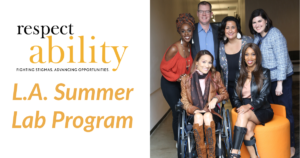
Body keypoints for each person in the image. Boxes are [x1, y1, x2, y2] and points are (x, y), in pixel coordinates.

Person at [249, 9, 295, 157]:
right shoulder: (256, 37)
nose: (257, 24)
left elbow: (282, 60)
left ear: (266, 21)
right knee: (272, 112)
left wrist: (280, 83)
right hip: (266, 80)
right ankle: (277, 142)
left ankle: (291, 145)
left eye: (260, 21)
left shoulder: (275, 34)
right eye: (254, 22)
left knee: (285, 112)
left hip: (280, 79)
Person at [181, 50, 229, 158]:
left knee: (207, 115)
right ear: (196, 62)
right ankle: (202, 154)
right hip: (194, 114)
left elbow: (224, 94)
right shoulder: (186, 79)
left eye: (210, 62)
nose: (207, 65)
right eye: (204, 62)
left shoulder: (215, 75)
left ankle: (211, 155)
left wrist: (215, 99)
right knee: (198, 116)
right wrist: (194, 110)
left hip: (211, 112)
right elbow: (184, 102)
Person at [229, 43, 274, 158]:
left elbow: (263, 97)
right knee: (248, 129)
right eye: (246, 54)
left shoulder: (264, 72)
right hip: (245, 111)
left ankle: (234, 152)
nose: (249, 58)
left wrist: (248, 106)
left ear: (257, 56)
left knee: (244, 114)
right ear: (243, 57)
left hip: (262, 110)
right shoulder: (239, 74)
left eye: (253, 54)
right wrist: (240, 107)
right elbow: (234, 97)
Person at [160, 13, 195, 144]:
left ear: (192, 31)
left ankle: (186, 133)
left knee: (187, 108)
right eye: (183, 31)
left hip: (183, 83)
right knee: (177, 110)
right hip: (169, 83)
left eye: (189, 30)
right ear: (179, 32)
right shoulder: (174, 48)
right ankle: (178, 140)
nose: (186, 34)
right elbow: (163, 68)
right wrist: (178, 78)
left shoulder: (191, 47)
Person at [218, 16, 253, 108]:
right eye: (227, 27)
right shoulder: (221, 45)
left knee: (249, 111)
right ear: (224, 30)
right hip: (230, 87)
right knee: (237, 111)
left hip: (247, 84)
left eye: (233, 27)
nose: (230, 30)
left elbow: (257, 60)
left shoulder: (247, 41)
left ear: (237, 28)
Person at [191, 1, 220, 72]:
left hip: (214, 73)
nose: (204, 14)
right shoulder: (190, 30)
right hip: (197, 74)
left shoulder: (218, 31)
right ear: (197, 13)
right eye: (201, 11)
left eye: (207, 11)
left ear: (211, 14)